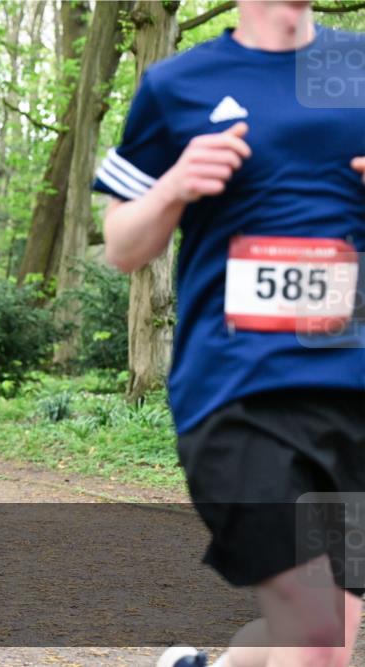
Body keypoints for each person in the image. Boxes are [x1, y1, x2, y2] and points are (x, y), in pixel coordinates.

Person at [95, 3, 364, 666]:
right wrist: (174, 187)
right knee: (315, 634)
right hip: (236, 394)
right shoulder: (178, 84)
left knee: (322, 637)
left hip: (352, 397)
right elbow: (122, 245)